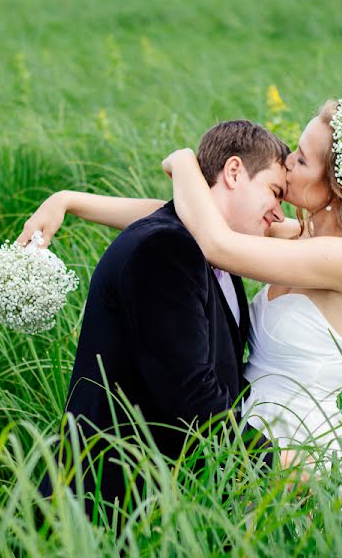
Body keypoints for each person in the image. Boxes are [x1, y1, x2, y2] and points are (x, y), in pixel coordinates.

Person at [22, 95, 342, 484]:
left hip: (295, 452)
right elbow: (185, 218)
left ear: (336, 187)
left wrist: (185, 160)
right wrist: (70, 201)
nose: (289, 162)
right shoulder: (300, 237)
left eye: (302, 160)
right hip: (241, 438)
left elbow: (216, 242)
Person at [28, 120, 290, 522]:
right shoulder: (165, 249)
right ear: (234, 172)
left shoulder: (218, 250)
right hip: (111, 500)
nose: (279, 213)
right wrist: (273, 464)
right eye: (275, 192)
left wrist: (71, 199)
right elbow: (188, 394)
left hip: (163, 501)